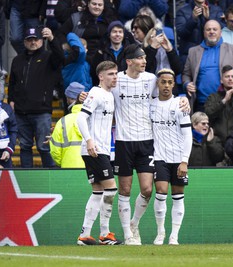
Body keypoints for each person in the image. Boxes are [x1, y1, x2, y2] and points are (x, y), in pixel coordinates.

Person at [113, 44, 189, 245]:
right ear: (129, 61)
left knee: (147, 190)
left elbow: (168, 88)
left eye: (145, 57)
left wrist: (185, 100)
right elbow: (100, 89)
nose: (145, 61)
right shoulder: (117, 80)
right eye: (140, 58)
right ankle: (129, 236)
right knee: (125, 190)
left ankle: (134, 224)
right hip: (123, 141)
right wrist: (81, 96)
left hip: (146, 142)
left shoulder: (150, 79)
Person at [76, 60, 122, 246]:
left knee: (98, 192)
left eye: (116, 73)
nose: (115, 77)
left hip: (100, 149)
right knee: (111, 189)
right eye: (110, 74)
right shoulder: (96, 93)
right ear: (101, 76)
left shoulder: (109, 95)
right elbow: (81, 117)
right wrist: (89, 141)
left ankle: (85, 234)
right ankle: (104, 233)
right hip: (94, 149)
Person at [8, 26, 64, 168]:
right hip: (21, 112)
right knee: (25, 146)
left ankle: (50, 177)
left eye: (36, 39)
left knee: (44, 147)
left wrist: (52, 39)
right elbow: (13, 83)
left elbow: (60, 57)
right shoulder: (17, 60)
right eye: (30, 40)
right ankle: (28, 179)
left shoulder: (48, 57)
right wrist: (11, 101)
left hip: (41, 111)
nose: (33, 42)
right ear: (25, 41)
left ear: (41, 40)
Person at [150, 68, 192, 245]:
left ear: (174, 84)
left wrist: (184, 161)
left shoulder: (180, 105)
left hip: (178, 158)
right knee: (160, 192)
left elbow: (187, 135)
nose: (166, 85)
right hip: (159, 156)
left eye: (169, 82)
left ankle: (174, 235)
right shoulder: (150, 104)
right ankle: (160, 232)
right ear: (157, 84)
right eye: (163, 82)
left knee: (178, 195)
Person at [182, 19, 233, 112]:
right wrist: (187, 84)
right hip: (201, 103)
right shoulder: (193, 52)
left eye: (214, 29)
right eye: (208, 30)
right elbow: (186, 74)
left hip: (226, 102)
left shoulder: (232, 49)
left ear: (220, 32)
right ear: (204, 32)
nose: (211, 32)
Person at [50, 82, 86, 168]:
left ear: (69, 99)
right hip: (91, 170)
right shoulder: (93, 119)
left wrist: (63, 162)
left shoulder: (62, 122)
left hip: (68, 169)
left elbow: (55, 153)